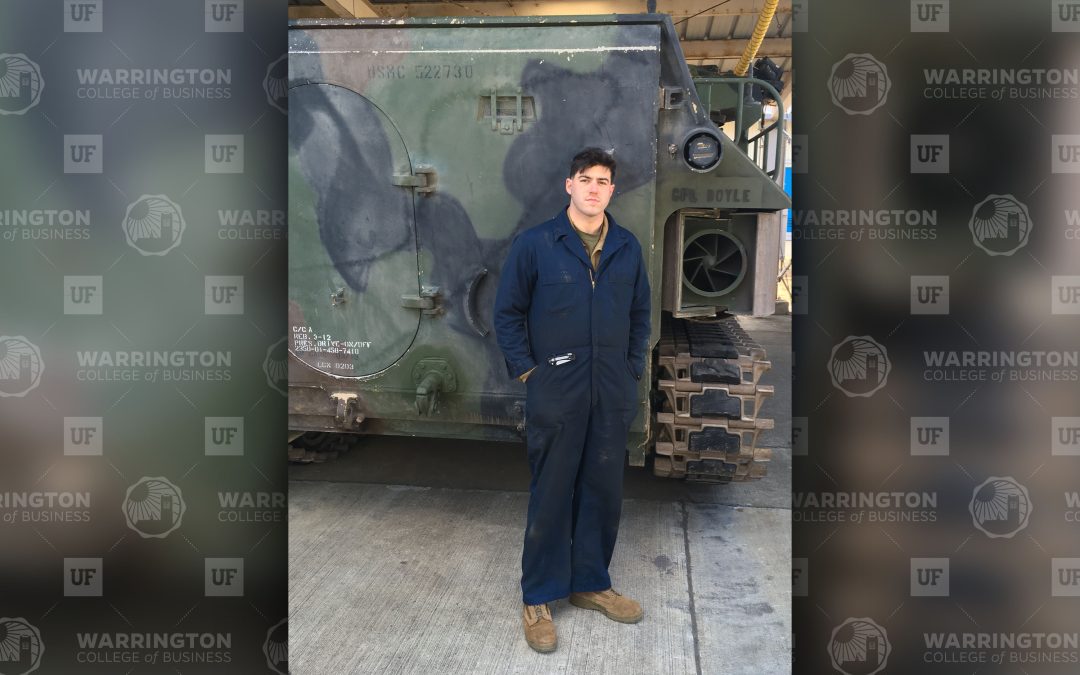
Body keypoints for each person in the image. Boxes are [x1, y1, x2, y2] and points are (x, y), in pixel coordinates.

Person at [493, 147, 652, 653]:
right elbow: (508, 313)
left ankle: (591, 584)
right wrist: (528, 371)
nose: (593, 188)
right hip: (556, 390)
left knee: (603, 491)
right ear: (569, 185)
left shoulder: (626, 246)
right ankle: (538, 596)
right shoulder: (537, 244)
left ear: (611, 190)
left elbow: (641, 314)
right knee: (552, 491)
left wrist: (631, 369)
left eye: (603, 181)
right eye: (585, 179)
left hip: (610, 391)